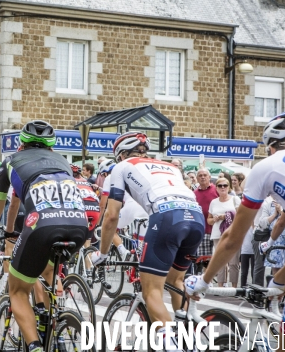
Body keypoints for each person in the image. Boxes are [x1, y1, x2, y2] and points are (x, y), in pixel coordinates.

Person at [185, 110, 285, 351]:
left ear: (271, 146)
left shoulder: (268, 166)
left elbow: (232, 238)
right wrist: (276, 284)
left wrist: (204, 281)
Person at [0, 120, 88, 352]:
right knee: (46, 269)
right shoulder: (63, 162)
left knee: (17, 290)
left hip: (42, 225)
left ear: (21, 144)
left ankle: (34, 346)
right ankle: (47, 323)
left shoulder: (10, 162)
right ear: (52, 147)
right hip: (79, 225)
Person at [92, 132, 204, 350]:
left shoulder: (121, 166)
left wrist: (103, 254)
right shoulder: (169, 166)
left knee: (150, 290)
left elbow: (111, 216)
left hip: (166, 217)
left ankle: (171, 343)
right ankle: (186, 338)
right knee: (175, 281)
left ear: (121, 154)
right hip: (196, 218)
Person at [207, 177, 240, 286]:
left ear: (229, 187)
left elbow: (240, 217)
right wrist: (215, 219)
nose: (222, 187)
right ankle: (220, 286)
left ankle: (234, 287)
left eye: (225, 185)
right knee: (219, 260)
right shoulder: (213, 202)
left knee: (233, 261)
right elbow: (209, 220)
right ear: (216, 188)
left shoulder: (235, 199)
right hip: (217, 234)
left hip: (233, 234)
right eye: (220, 185)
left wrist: (225, 216)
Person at [193, 168, 218, 257]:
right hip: (203, 229)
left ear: (209, 177)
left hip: (218, 228)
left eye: (205, 175)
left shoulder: (217, 190)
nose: (203, 177)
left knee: (220, 258)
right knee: (204, 259)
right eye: (200, 175)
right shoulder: (194, 194)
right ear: (197, 178)